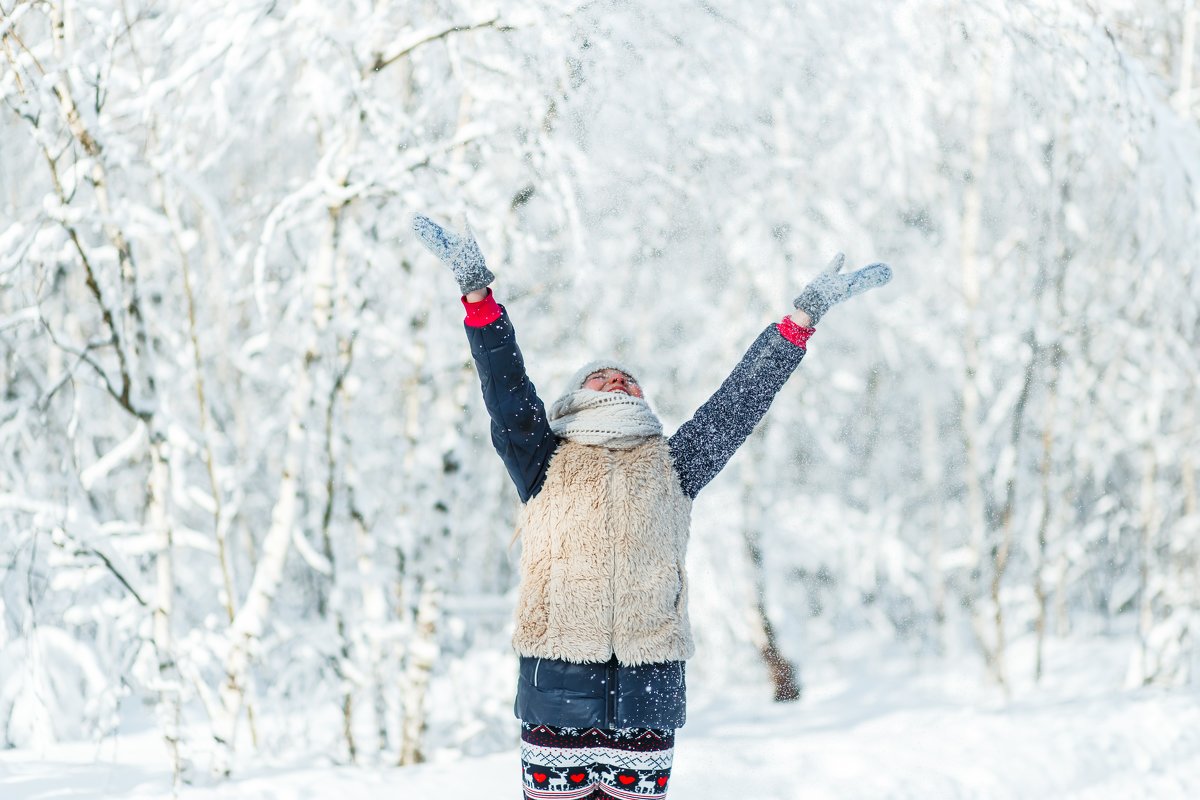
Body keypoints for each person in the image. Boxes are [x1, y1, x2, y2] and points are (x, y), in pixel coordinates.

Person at [412, 214, 891, 799]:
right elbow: (506, 388)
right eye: (603, 378)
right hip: (557, 682)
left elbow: (738, 404)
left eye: (628, 380)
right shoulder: (541, 454)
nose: (617, 382)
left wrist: (798, 322)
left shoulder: (673, 464)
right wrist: (478, 297)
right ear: (579, 398)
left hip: (649, 685)